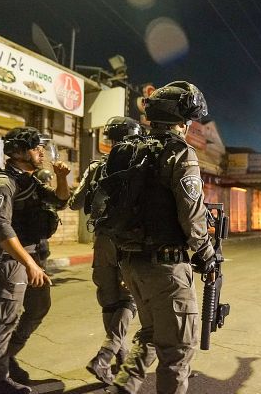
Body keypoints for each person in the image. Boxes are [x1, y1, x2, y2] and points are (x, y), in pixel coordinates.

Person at [106, 81, 216, 394]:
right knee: (177, 351)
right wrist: (207, 254)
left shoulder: (128, 150)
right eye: (188, 119)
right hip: (165, 268)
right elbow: (192, 216)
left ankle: (121, 388)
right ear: (180, 121)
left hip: (132, 263)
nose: (189, 125)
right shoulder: (179, 153)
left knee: (151, 334)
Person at [0, 126, 70, 394]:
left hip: (30, 256)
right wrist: (29, 264)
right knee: (3, 319)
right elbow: (0, 227)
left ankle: (7, 358)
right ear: (18, 152)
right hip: (7, 261)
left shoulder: (28, 180)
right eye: (35, 147)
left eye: (42, 147)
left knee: (39, 307)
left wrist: (61, 178)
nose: (41, 152)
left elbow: (60, 201)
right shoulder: (1, 183)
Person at [68, 117, 140, 385]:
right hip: (129, 241)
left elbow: (75, 203)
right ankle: (105, 355)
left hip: (101, 240)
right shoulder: (140, 165)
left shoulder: (96, 166)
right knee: (129, 300)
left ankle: (121, 360)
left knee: (110, 301)